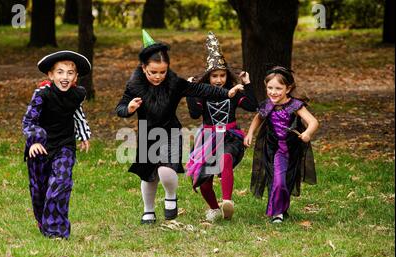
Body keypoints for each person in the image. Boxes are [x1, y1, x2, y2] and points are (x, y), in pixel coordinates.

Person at [115, 30, 243, 224]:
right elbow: (120, 107)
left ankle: (170, 195)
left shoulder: (175, 83)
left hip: (170, 131)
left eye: (162, 72)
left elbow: (201, 89)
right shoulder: (134, 85)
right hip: (147, 133)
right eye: (153, 72)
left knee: (166, 169)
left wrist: (226, 94)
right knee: (148, 176)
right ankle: (148, 210)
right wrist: (129, 108)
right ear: (143, 68)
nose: (158, 77)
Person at [186, 31, 259, 222]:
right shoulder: (202, 94)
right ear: (208, 78)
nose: (219, 80)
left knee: (226, 159)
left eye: (222, 75)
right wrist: (190, 92)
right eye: (214, 76)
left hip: (229, 136)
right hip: (208, 139)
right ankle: (214, 208)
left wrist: (247, 84)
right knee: (204, 181)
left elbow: (253, 106)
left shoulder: (232, 92)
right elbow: (194, 114)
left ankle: (227, 201)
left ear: (227, 76)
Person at [22, 50, 92, 238]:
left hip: (64, 145)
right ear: (51, 75)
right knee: (40, 190)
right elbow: (29, 121)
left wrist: (84, 135)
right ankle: (43, 220)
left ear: (76, 76)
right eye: (60, 72)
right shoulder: (41, 95)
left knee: (61, 183)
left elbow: (77, 114)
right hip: (40, 147)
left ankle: (56, 231)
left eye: (70, 73)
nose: (65, 77)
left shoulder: (77, 94)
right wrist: (34, 141)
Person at [244, 66, 318, 223]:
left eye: (278, 88)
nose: (273, 92)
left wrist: (307, 133)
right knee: (277, 179)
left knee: (286, 180)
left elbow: (313, 121)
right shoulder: (268, 105)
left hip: (292, 148)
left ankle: (283, 208)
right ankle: (276, 213)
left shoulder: (294, 105)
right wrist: (250, 133)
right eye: (269, 88)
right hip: (273, 148)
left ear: (288, 88)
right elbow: (258, 117)